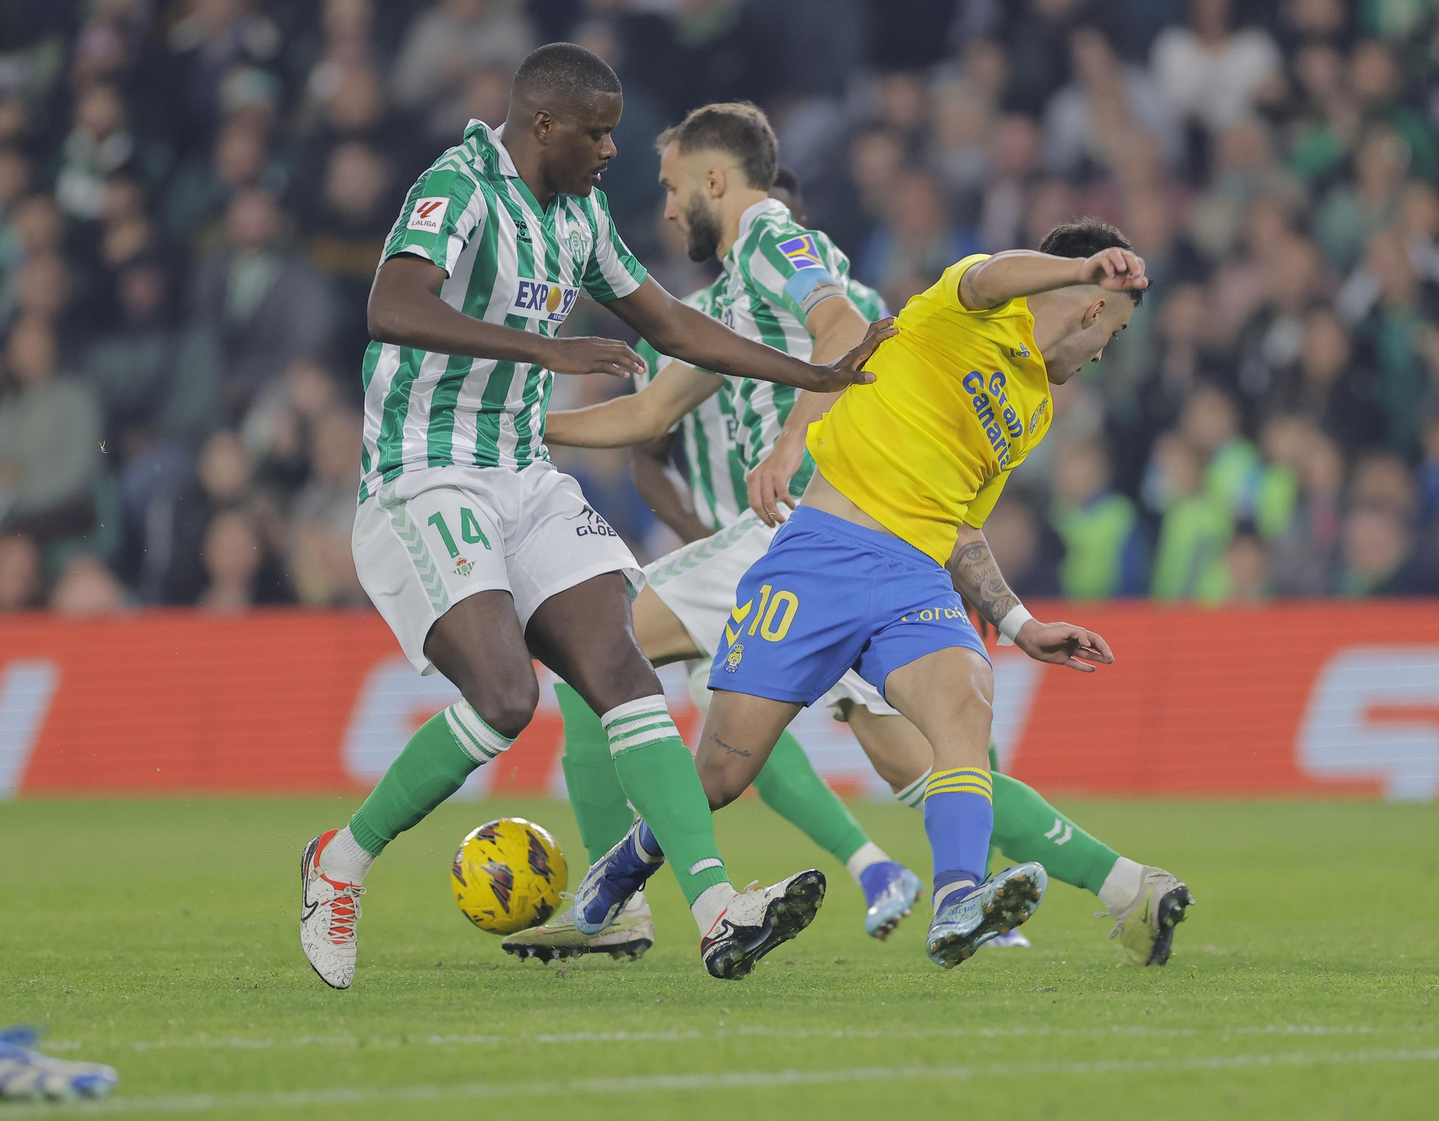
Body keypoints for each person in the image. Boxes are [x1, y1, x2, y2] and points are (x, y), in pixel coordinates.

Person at [298, 44, 888, 990]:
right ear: (542, 126)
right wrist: (547, 348)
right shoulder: (458, 185)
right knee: (505, 700)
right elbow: (392, 306)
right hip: (426, 470)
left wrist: (815, 375)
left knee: (621, 667)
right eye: (599, 132)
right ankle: (340, 861)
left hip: (522, 471)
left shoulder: (577, 214)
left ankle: (714, 910)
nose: (613, 150)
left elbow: (671, 326)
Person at [576, 214, 1195, 969]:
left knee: (965, 704)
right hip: (815, 558)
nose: (1107, 351)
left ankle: (960, 898)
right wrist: (1083, 267)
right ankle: (623, 864)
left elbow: (962, 527)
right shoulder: (968, 306)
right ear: (1095, 304)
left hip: (912, 580)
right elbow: (994, 271)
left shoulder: (1032, 409)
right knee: (722, 775)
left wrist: (1020, 620)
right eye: (1116, 331)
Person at [502, 113, 921, 963]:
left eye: (669, 188)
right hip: (828, 534)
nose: (664, 209)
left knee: (593, 649)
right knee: (891, 752)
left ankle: (616, 901)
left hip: (794, 528)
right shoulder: (730, 295)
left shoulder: (769, 233)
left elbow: (843, 331)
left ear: (715, 182)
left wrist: (789, 440)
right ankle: (1105, 880)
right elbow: (650, 413)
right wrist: (521, 428)